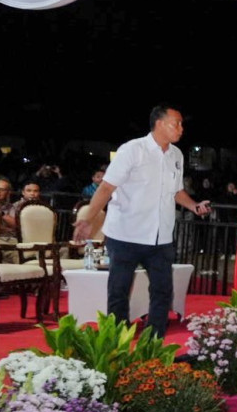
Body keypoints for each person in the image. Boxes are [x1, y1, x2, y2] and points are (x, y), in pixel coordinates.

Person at [73, 104, 211, 339]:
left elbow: (176, 191)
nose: (181, 128)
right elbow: (107, 187)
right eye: (175, 123)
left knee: (162, 290)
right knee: (119, 289)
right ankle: (117, 336)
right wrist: (88, 218)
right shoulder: (132, 150)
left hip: (161, 235)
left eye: (181, 124)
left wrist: (194, 206)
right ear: (159, 123)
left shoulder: (176, 155)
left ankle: (154, 337)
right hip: (126, 232)